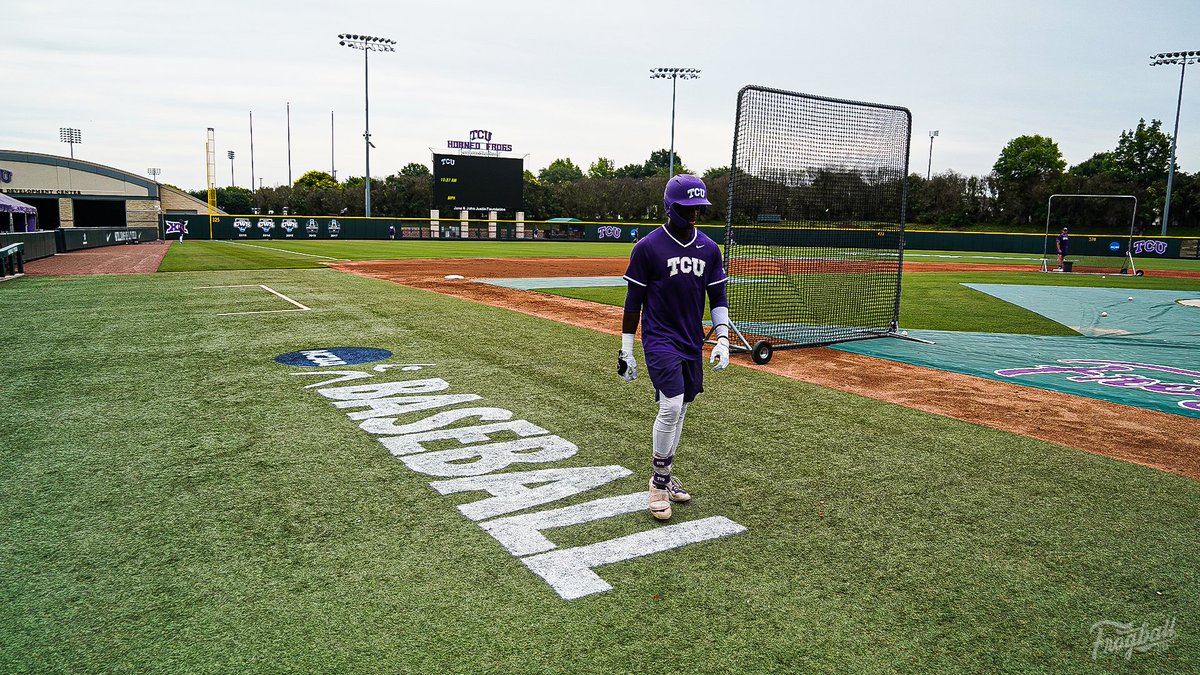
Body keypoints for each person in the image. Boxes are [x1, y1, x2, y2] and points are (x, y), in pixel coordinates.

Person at [617, 174, 730, 521]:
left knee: (681, 409)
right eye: (688, 208)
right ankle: (659, 483)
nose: (694, 215)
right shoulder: (648, 247)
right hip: (659, 339)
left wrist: (723, 336)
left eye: (699, 208)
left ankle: (663, 477)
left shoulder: (710, 249)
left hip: (689, 340)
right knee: (670, 406)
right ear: (671, 207)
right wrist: (626, 349)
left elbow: (718, 296)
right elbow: (633, 302)